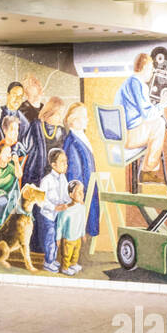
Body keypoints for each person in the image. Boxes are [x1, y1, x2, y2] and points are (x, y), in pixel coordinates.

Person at [114, 52, 167, 180]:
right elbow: (147, 114)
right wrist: (162, 105)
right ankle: (148, 171)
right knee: (159, 124)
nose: (152, 73)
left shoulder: (128, 82)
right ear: (145, 67)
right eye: (151, 69)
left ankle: (147, 169)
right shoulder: (139, 84)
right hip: (129, 136)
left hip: (121, 136)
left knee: (155, 124)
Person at [62, 102, 101, 260]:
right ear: (74, 121)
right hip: (81, 194)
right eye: (84, 117)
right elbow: (74, 174)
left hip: (89, 190)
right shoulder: (72, 143)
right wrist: (79, 197)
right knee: (77, 230)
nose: (87, 120)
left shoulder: (80, 137)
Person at [37, 148, 72, 273]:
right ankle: (48, 261)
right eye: (62, 162)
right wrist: (54, 207)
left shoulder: (63, 178)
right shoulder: (46, 180)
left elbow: (65, 194)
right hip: (48, 215)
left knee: (57, 237)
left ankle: (52, 258)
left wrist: (69, 201)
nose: (66, 164)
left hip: (58, 215)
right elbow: (41, 201)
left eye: (66, 162)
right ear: (53, 164)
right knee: (50, 238)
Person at [56, 179, 87, 276]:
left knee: (76, 252)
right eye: (78, 192)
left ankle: (73, 264)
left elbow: (82, 222)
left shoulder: (82, 208)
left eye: (82, 191)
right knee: (66, 254)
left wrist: (83, 234)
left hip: (77, 236)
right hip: (68, 238)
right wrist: (58, 238)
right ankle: (65, 268)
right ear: (70, 194)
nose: (81, 194)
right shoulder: (66, 210)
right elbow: (60, 225)